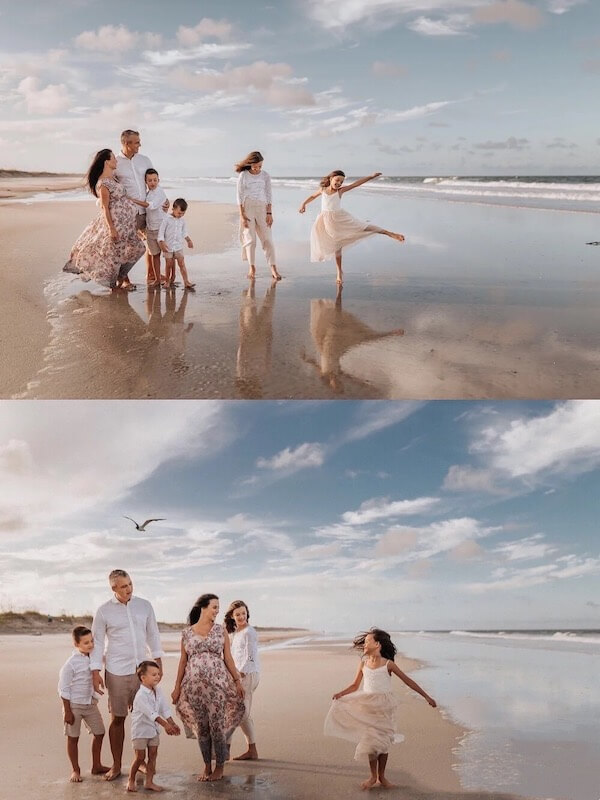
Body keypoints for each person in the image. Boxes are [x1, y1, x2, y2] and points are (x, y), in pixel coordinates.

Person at [324, 628, 437, 790]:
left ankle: (382, 777)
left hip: (384, 706)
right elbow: (355, 685)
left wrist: (426, 696)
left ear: (377, 644)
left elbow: (408, 681)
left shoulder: (388, 664)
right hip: (368, 705)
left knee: (383, 742)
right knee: (371, 740)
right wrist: (341, 694)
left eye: (368, 641)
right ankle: (372, 776)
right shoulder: (363, 664)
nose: (364, 643)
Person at [90, 569, 164, 782]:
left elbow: (153, 634)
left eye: (130, 583)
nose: (129, 589)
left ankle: (139, 762)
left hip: (142, 670)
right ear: (113, 588)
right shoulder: (104, 611)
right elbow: (96, 643)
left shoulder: (144, 605)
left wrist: (158, 661)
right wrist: (95, 671)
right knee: (118, 719)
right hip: (117, 671)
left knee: (145, 716)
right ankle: (116, 765)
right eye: (123, 586)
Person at [171, 593, 245, 782]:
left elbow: (228, 658)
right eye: (214, 607)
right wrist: (177, 687)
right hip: (193, 689)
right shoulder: (186, 633)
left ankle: (219, 767)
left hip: (218, 687)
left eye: (218, 608)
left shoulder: (220, 631)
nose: (217, 611)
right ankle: (206, 766)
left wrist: (237, 681)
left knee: (217, 727)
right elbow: (182, 661)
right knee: (202, 728)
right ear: (203, 607)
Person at [299, 171, 405, 285]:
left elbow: (356, 184)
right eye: (337, 180)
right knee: (334, 245)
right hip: (325, 220)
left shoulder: (340, 191)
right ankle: (339, 271)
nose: (339, 183)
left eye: (341, 181)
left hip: (340, 218)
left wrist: (370, 176)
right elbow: (312, 196)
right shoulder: (323, 190)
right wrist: (303, 204)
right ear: (330, 178)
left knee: (363, 227)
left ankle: (389, 233)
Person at [63, 149, 146, 290]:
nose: (116, 161)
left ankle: (120, 279)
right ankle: (114, 286)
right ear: (107, 161)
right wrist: (112, 228)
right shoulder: (103, 184)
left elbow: (125, 198)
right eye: (114, 158)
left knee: (138, 248)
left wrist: (146, 204)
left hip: (126, 225)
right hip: (116, 225)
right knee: (115, 256)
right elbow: (105, 208)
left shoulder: (114, 179)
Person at [116, 129, 168, 284]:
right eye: (137, 142)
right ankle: (124, 279)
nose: (140, 144)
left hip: (147, 210)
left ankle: (151, 274)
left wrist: (164, 200)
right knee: (125, 246)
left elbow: (155, 181)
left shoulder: (145, 160)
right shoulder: (115, 163)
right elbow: (110, 186)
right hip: (127, 212)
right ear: (126, 143)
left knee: (151, 242)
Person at [58, 625, 109, 783]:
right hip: (74, 706)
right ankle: (75, 769)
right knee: (73, 737)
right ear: (77, 644)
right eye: (86, 643)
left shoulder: (93, 657)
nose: (91, 645)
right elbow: (63, 689)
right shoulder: (71, 664)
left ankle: (96, 765)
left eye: (92, 641)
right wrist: (67, 711)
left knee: (99, 732)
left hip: (90, 704)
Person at [127, 661, 180, 793]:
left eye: (158, 674)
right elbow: (152, 714)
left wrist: (172, 723)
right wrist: (166, 725)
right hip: (140, 731)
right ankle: (131, 780)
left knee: (153, 755)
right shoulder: (140, 696)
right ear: (143, 678)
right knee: (140, 757)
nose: (157, 676)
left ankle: (149, 782)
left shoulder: (158, 690)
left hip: (153, 730)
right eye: (153, 674)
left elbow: (164, 708)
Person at [235, 151, 282, 281]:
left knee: (268, 240)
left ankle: (273, 268)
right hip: (247, 207)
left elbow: (268, 194)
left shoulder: (265, 176)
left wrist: (269, 213)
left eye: (260, 166)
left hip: (262, 208)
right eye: (255, 166)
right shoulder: (243, 175)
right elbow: (239, 195)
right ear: (250, 164)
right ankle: (252, 267)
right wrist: (242, 215)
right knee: (251, 240)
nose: (257, 169)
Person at [224, 600, 260, 760]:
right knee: (237, 713)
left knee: (239, 714)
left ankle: (226, 752)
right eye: (237, 614)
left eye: (243, 613)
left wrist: (238, 676)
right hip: (238, 676)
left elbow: (250, 658)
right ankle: (250, 750)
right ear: (232, 616)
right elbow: (234, 657)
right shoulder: (237, 633)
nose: (241, 616)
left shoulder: (249, 632)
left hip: (247, 675)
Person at [126, 168, 169, 288]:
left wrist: (134, 200)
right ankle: (156, 278)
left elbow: (152, 206)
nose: (153, 182)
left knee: (167, 255)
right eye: (150, 180)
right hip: (150, 229)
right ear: (146, 182)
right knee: (154, 255)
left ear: (158, 180)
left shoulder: (160, 192)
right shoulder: (148, 193)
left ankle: (170, 278)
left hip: (161, 229)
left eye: (155, 180)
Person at [158, 198, 195, 290]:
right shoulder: (166, 219)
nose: (181, 215)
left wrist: (188, 240)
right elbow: (161, 232)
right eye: (179, 213)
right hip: (168, 246)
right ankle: (167, 281)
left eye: (183, 213)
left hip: (178, 246)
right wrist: (161, 242)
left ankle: (186, 282)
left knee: (182, 263)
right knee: (168, 264)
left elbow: (184, 232)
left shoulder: (182, 221)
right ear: (173, 209)